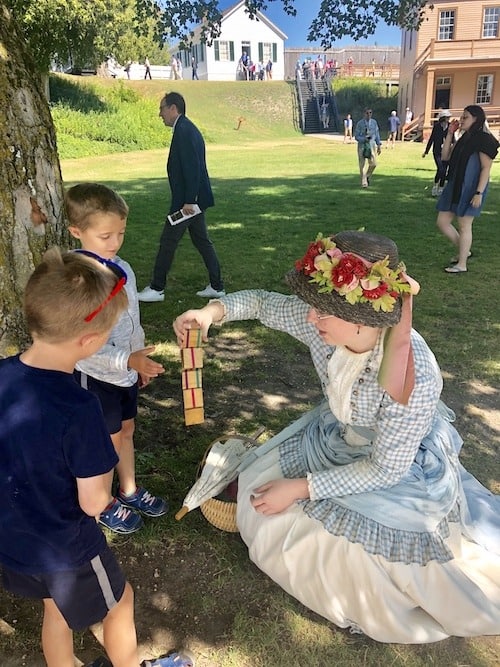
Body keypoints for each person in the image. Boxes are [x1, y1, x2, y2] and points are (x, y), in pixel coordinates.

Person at [173, 229, 500, 644]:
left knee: (347, 553)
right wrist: (211, 312)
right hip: (340, 437)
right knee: (259, 498)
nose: (309, 317)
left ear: (365, 318)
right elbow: (261, 303)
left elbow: (386, 468)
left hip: (396, 467)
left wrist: (301, 487)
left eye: (322, 311)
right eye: (312, 306)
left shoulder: (411, 374)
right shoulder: (321, 324)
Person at [0, 248, 194, 667]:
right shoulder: (80, 407)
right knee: (119, 603)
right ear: (88, 342)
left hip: (14, 536)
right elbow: (93, 502)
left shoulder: (2, 374)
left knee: (55, 607)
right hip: (67, 547)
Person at [66, 183, 167, 534]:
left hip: (125, 372)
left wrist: (137, 359)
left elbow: (132, 319)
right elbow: (86, 347)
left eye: (120, 233)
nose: (115, 243)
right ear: (77, 232)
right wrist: (128, 361)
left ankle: (129, 489)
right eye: (105, 235)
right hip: (96, 377)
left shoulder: (122, 267)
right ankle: (103, 501)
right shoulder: (79, 281)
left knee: (127, 429)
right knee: (104, 441)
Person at [138, 92, 225, 302]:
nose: (160, 114)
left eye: (162, 108)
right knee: (202, 241)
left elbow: (192, 169)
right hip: (192, 201)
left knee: (168, 241)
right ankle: (217, 286)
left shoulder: (184, 130)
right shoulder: (185, 128)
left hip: (187, 203)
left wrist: (189, 201)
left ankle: (157, 288)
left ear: (173, 108)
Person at [436, 104, 499, 273]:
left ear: (476, 119)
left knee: (464, 225)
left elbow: (486, 168)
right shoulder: (465, 137)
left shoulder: (483, 139)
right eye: (462, 116)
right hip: (456, 184)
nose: (461, 120)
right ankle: (464, 251)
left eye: (466, 117)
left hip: (471, 187)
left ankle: (462, 264)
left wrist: (478, 192)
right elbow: (445, 156)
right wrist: (450, 133)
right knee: (442, 222)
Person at [422, 109, 452, 196]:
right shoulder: (437, 127)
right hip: (437, 151)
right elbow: (431, 139)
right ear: (443, 117)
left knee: (444, 170)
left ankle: (441, 188)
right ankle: (435, 186)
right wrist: (426, 151)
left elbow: (453, 138)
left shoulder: (450, 126)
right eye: (447, 117)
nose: (449, 118)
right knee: (440, 168)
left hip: (447, 151)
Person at [354, 108, 382, 187]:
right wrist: (363, 139)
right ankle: (364, 182)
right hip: (362, 146)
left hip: (371, 145)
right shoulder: (360, 123)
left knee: (374, 164)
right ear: (364, 114)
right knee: (362, 164)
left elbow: (377, 134)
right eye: (367, 113)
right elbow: (356, 136)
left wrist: (379, 145)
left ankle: (367, 176)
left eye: (370, 113)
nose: (369, 114)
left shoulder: (374, 122)